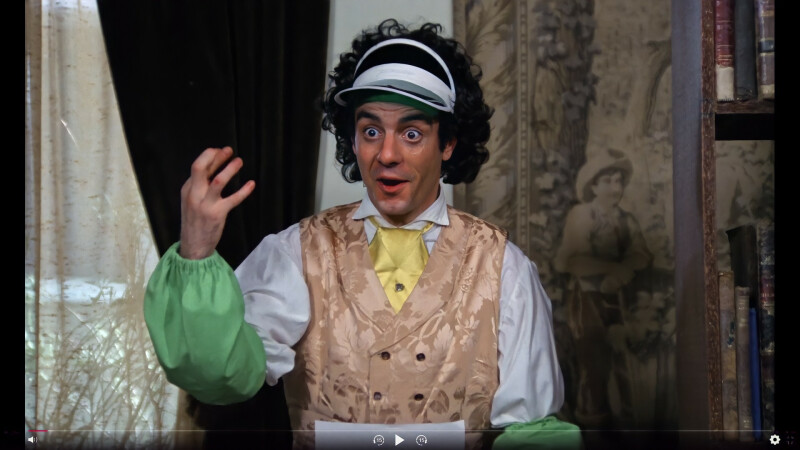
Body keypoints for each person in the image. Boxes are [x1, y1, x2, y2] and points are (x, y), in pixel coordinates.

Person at [144, 19, 580, 449]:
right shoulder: (295, 252)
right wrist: (197, 249)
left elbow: (532, 432)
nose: (387, 154)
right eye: (371, 131)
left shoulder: (504, 268)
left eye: (412, 133)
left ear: (448, 143)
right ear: (352, 140)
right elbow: (219, 378)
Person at [553, 148, 653, 432]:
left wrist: (626, 269)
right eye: (608, 181)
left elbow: (642, 254)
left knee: (624, 362)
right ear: (593, 186)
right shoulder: (582, 215)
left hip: (619, 299)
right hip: (588, 300)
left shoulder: (626, 219)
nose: (615, 188)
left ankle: (624, 426)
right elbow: (568, 262)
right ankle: (591, 426)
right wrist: (612, 269)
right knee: (594, 364)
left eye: (619, 181)